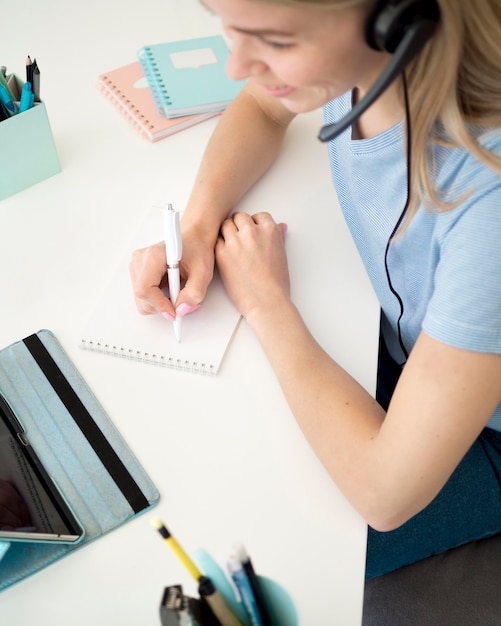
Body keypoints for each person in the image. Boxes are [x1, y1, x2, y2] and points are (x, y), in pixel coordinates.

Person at [129, 0, 501, 579]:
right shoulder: (363, 66)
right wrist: (199, 227)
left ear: (398, 21)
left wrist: (266, 303)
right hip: (417, 352)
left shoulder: (488, 206)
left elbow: (385, 494)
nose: (236, 66)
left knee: (251, 542)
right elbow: (260, 103)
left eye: (275, 42)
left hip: (484, 440)